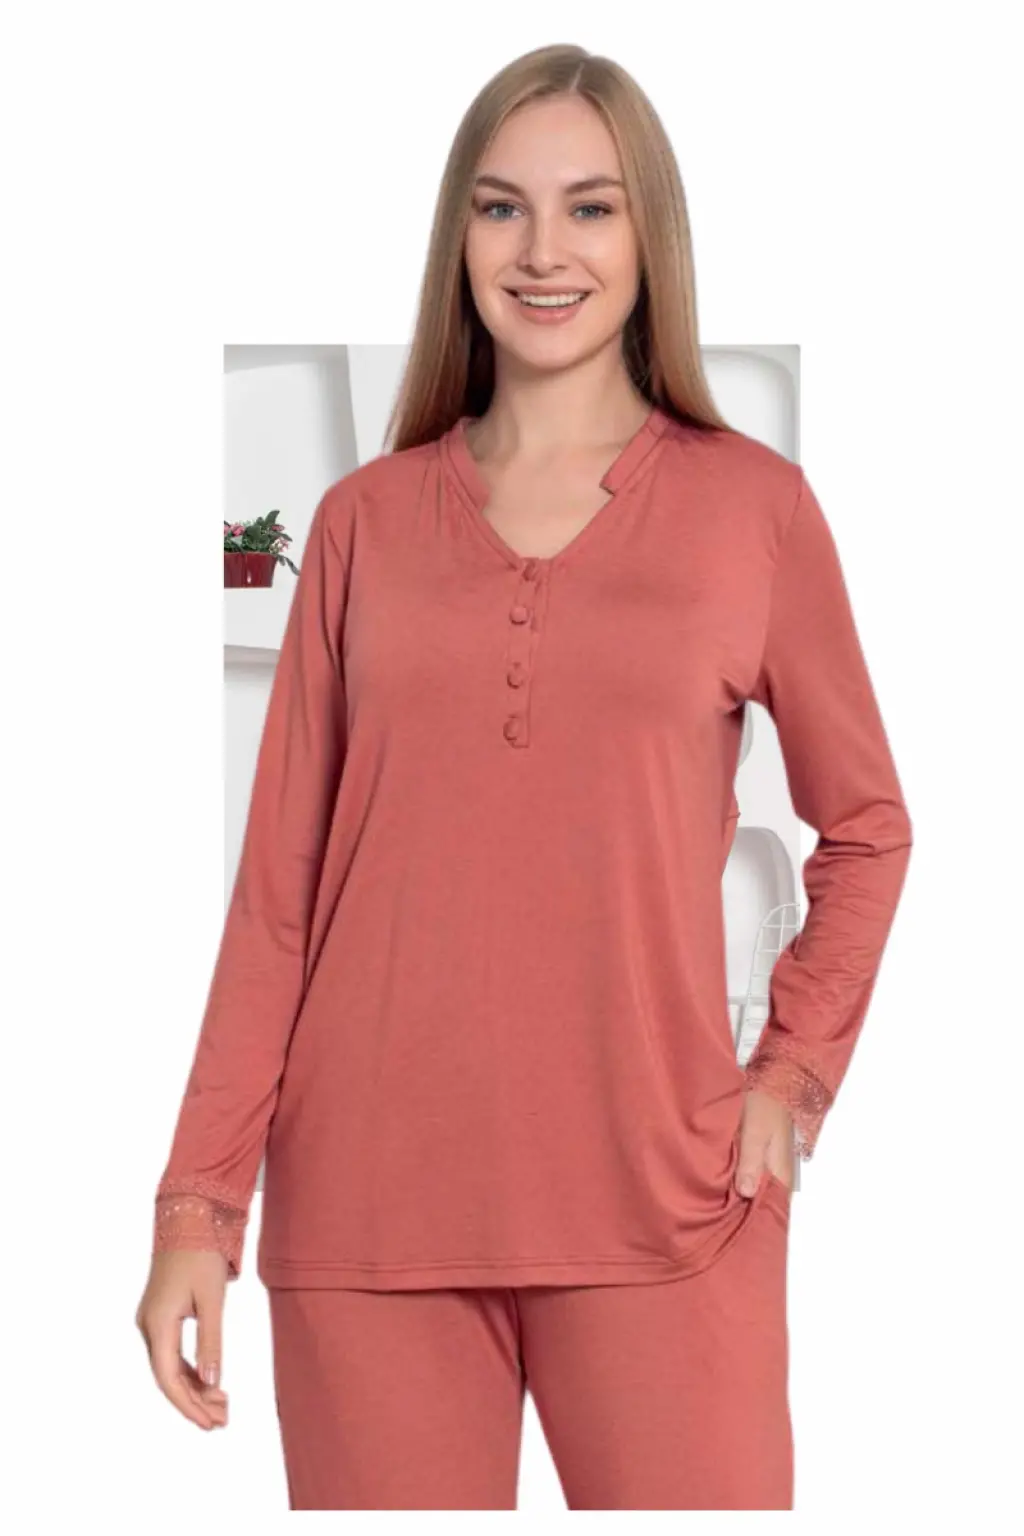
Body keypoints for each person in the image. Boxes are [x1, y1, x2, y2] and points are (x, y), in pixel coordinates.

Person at [135, 43, 913, 1511]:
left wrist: (792, 1076)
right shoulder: (359, 525)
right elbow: (279, 900)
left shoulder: (753, 511)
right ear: (461, 239)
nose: (543, 251)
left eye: (590, 209)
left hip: (669, 1204)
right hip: (368, 1222)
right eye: (502, 209)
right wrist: (199, 1203)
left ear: (649, 236)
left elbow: (868, 827)